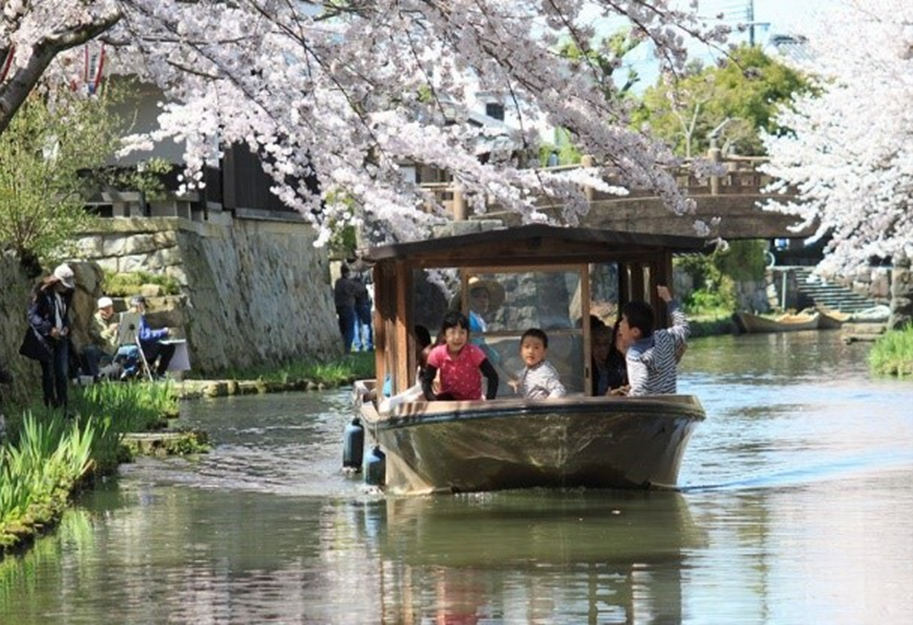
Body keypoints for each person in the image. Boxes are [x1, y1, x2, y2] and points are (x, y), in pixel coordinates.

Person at [617, 285, 689, 396]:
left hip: (651, 410)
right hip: (670, 404)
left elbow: (639, 391)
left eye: (623, 321)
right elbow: (683, 327)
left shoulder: (635, 355)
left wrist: (628, 395)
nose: (620, 324)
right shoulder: (665, 337)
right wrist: (668, 299)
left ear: (635, 331)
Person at [23, 264, 75, 409]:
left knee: (62, 373)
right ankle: (50, 407)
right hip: (45, 339)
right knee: (48, 374)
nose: (66, 288)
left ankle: (63, 407)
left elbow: (64, 315)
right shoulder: (42, 293)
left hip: (62, 338)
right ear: (56, 281)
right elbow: (32, 316)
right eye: (63, 285)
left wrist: (66, 327)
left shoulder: (68, 294)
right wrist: (49, 329)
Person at [421, 311, 498, 401]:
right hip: (448, 402)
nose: (457, 337)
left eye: (462, 332)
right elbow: (426, 380)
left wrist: (489, 401)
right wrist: (433, 401)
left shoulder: (474, 352)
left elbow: (493, 376)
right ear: (444, 335)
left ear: (467, 335)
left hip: (472, 402)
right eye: (452, 332)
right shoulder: (437, 353)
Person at [130, 295, 176, 377]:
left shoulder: (129, 316)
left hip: (138, 348)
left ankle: (148, 370)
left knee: (159, 346)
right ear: (140, 306)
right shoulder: (138, 317)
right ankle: (159, 373)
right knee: (170, 348)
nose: (145, 309)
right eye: (144, 307)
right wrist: (163, 332)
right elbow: (145, 336)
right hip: (143, 350)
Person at [516, 328, 566, 399]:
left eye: (536, 347)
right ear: (520, 350)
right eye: (527, 347)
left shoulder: (544, 372)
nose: (530, 351)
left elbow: (559, 390)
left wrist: (546, 405)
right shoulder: (528, 369)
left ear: (544, 352)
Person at [82, 296, 120, 380]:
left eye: (108, 309)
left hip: (117, 348)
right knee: (89, 350)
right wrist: (110, 330)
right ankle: (96, 376)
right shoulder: (95, 320)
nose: (106, 311)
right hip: (102, 348)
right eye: (103, 309)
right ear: (99, 309)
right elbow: (98, 336)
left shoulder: (118, 317)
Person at [592, 321, 628, 396]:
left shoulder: (619, 366)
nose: (602, 348)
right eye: (597, 343)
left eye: (606, 343)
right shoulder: (587, 367)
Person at [333, 264, 359, 352]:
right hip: (348, 306)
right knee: (349, 329)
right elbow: (358, 291)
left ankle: (342, 347)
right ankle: (347, 349)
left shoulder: (338, 282)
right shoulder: (349, 283)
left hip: (339, 306)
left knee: (342, 328)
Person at [353, 272, 374, 351]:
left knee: (356, 325)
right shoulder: (364, 275)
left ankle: (358, 346)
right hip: (364, 302)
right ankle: (368, 345)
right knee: (366, 325)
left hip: (353, 304)